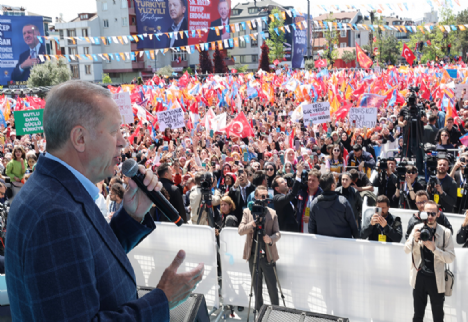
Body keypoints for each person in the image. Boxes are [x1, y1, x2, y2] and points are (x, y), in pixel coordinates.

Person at [5, 80, 204, 321]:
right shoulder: (55, 215)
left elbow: (85, 262)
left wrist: (131, 216)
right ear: (80, 138)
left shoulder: (54, 190)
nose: (123, 141)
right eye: (113, 131)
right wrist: (162, 299)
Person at [404, 201, 455, 322]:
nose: (430, 216)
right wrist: (415, 240)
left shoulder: (445, 232)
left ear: (438, 214)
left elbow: (451, 257)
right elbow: (406, 250)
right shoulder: (417, 229)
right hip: (419, 277)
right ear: (423, 214)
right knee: (417, 316)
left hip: (436, 280)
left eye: (433, 213)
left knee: (438, 317)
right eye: (427, 213)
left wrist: (434, 249)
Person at [238, 186, 280, 313]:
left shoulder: (272, 213)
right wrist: (252, 224)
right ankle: (259, 313)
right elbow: (240, 230)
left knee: (273, 287)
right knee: (256, 288)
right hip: (253, 255)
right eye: (262, 196)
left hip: (268, 256)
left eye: (267, 196)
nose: (265, 199)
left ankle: (276, 312)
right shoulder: (247, 212)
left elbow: (278, 233)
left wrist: (270, 238)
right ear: (255, 197)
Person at [308, 173, 359, 238]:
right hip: (343, 245)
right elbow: (353, 226)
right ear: (332, 185)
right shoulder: (343, 202)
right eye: (335, 181)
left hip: (323, 245)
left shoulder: (314, 203)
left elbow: (311, 229)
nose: (336, 183)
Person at [272, 161, 303, 232]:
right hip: (286, 235)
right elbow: (292, 195)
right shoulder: (277, 198)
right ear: (277, 188)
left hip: (294, 232)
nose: (286, 182)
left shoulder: (287, 196)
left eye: (285, 180)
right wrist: (298, 175)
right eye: (282, 182)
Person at [295, 169, 322, 233]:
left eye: (313, 180)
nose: (310, 182)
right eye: (309, 180)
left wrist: (311, 220)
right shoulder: (301, 192)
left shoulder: (322, 195)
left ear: (319, 182)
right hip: (301, 230)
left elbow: (324, 216)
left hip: (315, 233)